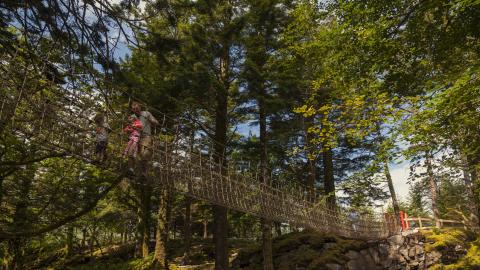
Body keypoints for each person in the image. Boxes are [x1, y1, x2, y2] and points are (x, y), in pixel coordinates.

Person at [130, 101, 159, 175]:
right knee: (132, 153)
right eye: (134, 109)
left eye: (137, 108)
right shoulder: (132, 117)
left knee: (144, 154)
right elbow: (129, 127)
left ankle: (144, 173)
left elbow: (156, 122)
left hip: (146, 136)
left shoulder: (146, 113)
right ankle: (131, 170)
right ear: (132, 110)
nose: (136, 110)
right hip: (136, 137)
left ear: (140, 107)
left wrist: (150, 120)